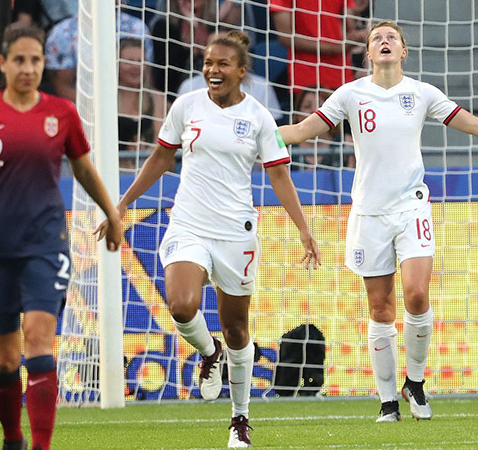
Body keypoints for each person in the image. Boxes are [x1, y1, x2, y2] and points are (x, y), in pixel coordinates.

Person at [280, 20, 478, 423]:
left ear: (404, 51)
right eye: (377, 38)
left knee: (416, 295)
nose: (385, 41)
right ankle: (388, 400)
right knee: (379, 306)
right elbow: (304, 130)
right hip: (369, 213)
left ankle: (416, 381)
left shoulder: (422, 93)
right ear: (369, 54)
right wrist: (259, 135)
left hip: (412, 208)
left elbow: (476, 125)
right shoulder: (350, 94)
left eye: (392, 37)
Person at [96, 30, 320, 448]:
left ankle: (240, 418)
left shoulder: (258, 117)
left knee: (237, 329)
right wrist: (122, 204)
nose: (212, 71)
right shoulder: (186, 106)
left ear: (240, 70)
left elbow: (278, 175)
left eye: (221, 64)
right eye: (207, 62)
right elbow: (162, 156)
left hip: (236, 230)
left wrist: (303, 227)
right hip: (189, 222)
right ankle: (209, 352)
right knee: (182, 304)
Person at [0, 25, 122, 450]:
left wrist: (112, 213)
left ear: (44, 65)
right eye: (20, 60)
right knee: (6, 360)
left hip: (45, 245)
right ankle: (13, 438)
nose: (29, 68)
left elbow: (82, 169)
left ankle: (41, 446)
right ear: (4, 64)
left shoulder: (61, 113)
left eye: (36, 60)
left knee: (40, 344)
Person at [44, 8, 152, 102]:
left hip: (136, 107)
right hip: (84, 113)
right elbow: (63, 87)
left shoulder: (138, 28)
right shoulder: (62, 33)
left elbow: (147, 79)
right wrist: (101, 115)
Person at [270, 0, 368, 92]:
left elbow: (350, 25)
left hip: (340, 75)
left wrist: (359, 35)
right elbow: (286, 38)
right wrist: (337, 48)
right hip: (307, 78)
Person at [117, 38, 165, 159]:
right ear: (116, 64)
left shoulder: (157, 99)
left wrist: (144, 152)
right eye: (129, 61)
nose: (136, 67)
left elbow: (161, 144)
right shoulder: (104, 100)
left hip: (146, 167)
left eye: (140, 61)